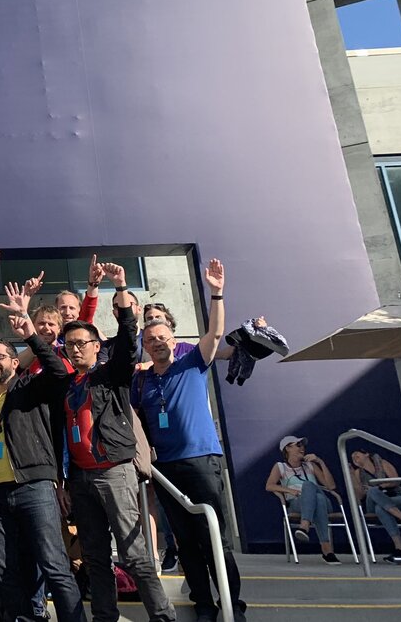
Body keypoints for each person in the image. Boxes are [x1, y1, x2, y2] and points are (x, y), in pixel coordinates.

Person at [60, 261, 175, 622]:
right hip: (81, 478)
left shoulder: (113, 374)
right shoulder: (67, 385)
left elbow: (127, 338)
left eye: (82, 344)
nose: (76, 350)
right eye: (70, 345)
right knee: (94, 555)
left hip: (115, 472)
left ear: (96, 347)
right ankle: (104, 617)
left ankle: (163, 616)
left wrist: (121, 288)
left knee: (134, 553)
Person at [132, 259, 245, 622]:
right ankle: (203, 605)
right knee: (185, 542)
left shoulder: (192, 362)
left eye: (163, 337)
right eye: (151, 339)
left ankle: (233, 604)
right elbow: (137, 423)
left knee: (214, 538)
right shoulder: (142, 381)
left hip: (201, 460)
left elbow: (214, 333)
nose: (158, 342)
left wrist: (216, 292)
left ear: (173, 340)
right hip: (165, 469)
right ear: (145, 346)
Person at [0, 284, 86, 622]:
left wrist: (32, 335)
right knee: (3, 569)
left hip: (34, 486)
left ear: (14, 361)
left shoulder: (32, 388)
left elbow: (60, 372)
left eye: (0, 357)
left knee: (53, 563)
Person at [266, 436, 341, 563]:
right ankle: (327, 550)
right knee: (318, 500)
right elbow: (269, 485)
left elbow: (331, 486)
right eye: (298, 445)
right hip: (297, 502)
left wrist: (320, 462)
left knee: (310, 486)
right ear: (288, 448)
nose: (302, 448)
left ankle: (305, 524)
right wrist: (289, 491)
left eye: (302, 445)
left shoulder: (310, 465)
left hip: (320, 498)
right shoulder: (280, 467)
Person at [349, 447, 401, 562]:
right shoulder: (358, 472)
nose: (355, 458)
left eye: (357, 455)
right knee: (373, 492)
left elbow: (396, 481)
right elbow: (360, 495)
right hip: (371, 502)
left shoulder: (383, 463)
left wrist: (381, 486)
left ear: (366, 454)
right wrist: (352, 476)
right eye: (353, 457)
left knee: (381, 508)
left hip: (394, 497)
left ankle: (399, 548)